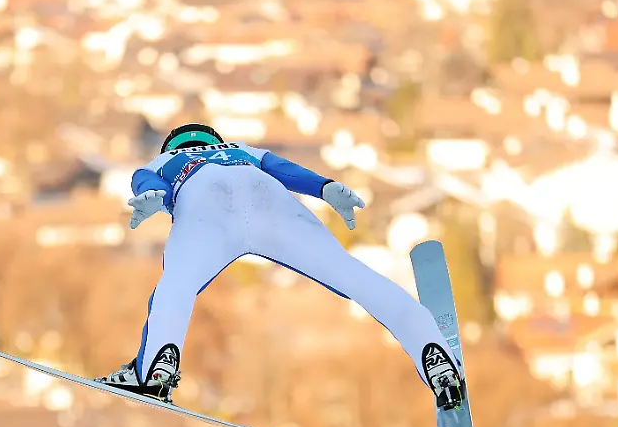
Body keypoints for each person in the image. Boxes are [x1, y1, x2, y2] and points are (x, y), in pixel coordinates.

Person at [94, 123, 465, 410]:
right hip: (271, 204)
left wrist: (149, 196)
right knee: (355, 277)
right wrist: (326, 187)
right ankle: (433, 351)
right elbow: (282, 167)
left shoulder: (166, 161)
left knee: (175, 287)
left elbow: (145, 179)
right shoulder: (240, 150)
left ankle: (158, 367)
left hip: (207, 211)